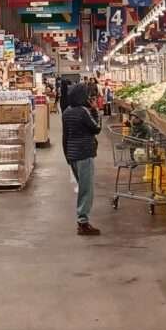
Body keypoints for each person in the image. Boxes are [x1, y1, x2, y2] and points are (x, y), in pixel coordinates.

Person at [62, 82, 102, 236]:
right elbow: (96, 128)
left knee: (83, 186)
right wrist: (95, 111)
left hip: (72, 155)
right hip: (84, 154)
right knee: (86, 190)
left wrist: (67, 155)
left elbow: (65, 136)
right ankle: (83, 222)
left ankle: (83, 220)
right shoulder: (83, 112)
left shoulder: (66, 112)